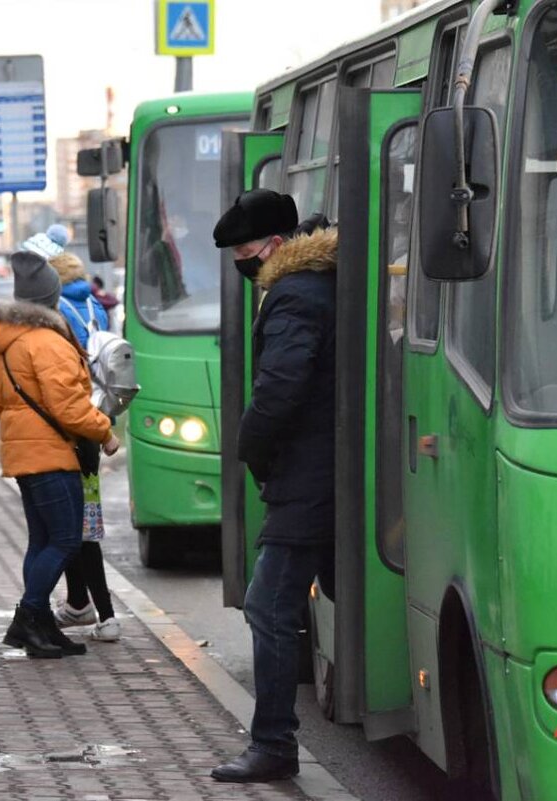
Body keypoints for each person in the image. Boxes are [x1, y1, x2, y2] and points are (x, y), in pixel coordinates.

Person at [209, 189, 339, 783]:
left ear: (278, 245)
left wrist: (251, 447)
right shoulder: (313, 283)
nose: (243, 264)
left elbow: (280, 387)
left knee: (269, 606)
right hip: (320, 475)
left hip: (307, 479)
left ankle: (273, 746)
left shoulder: (294, 295)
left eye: (245, 253)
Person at [0, 250, 121, 659]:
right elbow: (70, 406)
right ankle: (28, 617)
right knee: (65, 540)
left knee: (43, 540)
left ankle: (42, 624)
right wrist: (104, 432)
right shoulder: (47, 343)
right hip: (51, 452)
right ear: (51, 297)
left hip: (26, 452)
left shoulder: (11, 340)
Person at [47, 249, 120, 641]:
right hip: (94, 423)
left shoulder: (57, 313)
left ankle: (106, 616)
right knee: (81, 523)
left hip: (72, 430)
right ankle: (79, 604)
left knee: (74, 530)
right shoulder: (95, 306)